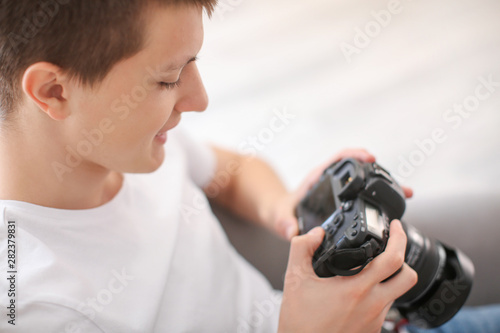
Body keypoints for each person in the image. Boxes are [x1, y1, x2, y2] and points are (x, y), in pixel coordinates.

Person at [3, 0, 477, 332]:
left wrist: (286, 209)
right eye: (168, 79)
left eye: (191, 63)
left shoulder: (136, 145)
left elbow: (229, 173)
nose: (199, 99)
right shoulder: (34, 303)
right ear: (54, 92)